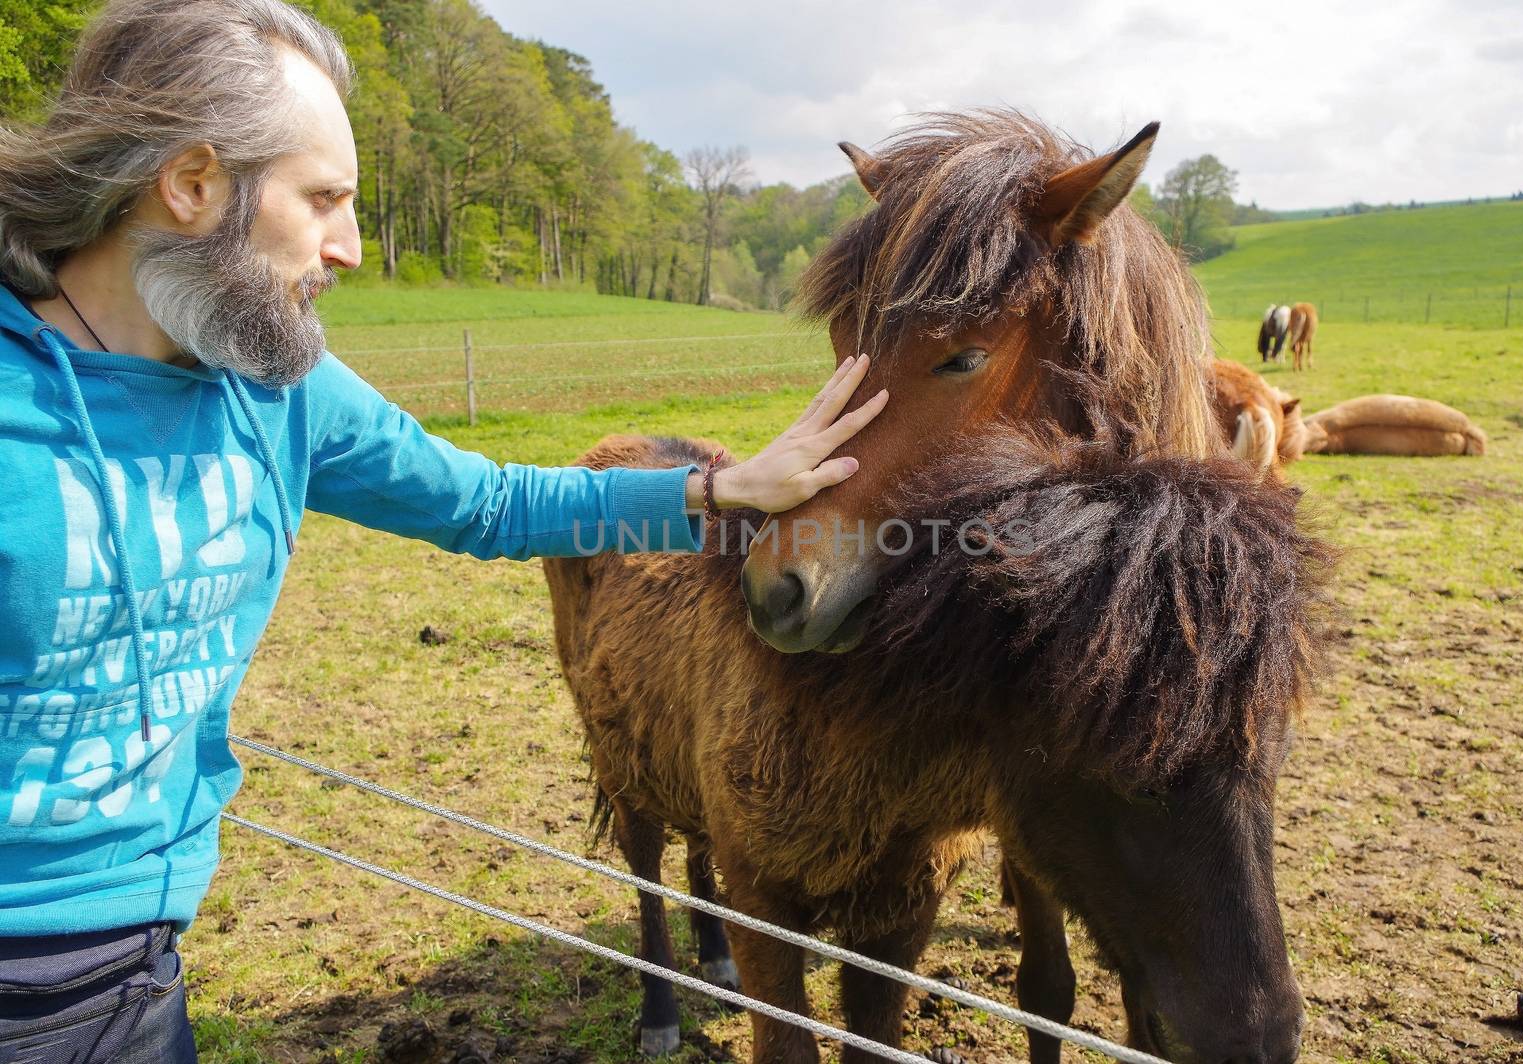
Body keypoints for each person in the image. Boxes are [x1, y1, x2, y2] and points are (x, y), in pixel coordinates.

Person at [0, 1, 888, 1058]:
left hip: (138, 968)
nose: (354, 247)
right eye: (323, 197)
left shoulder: (277, 390)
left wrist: (722, 491)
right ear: (192, 186)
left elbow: (489, 502)